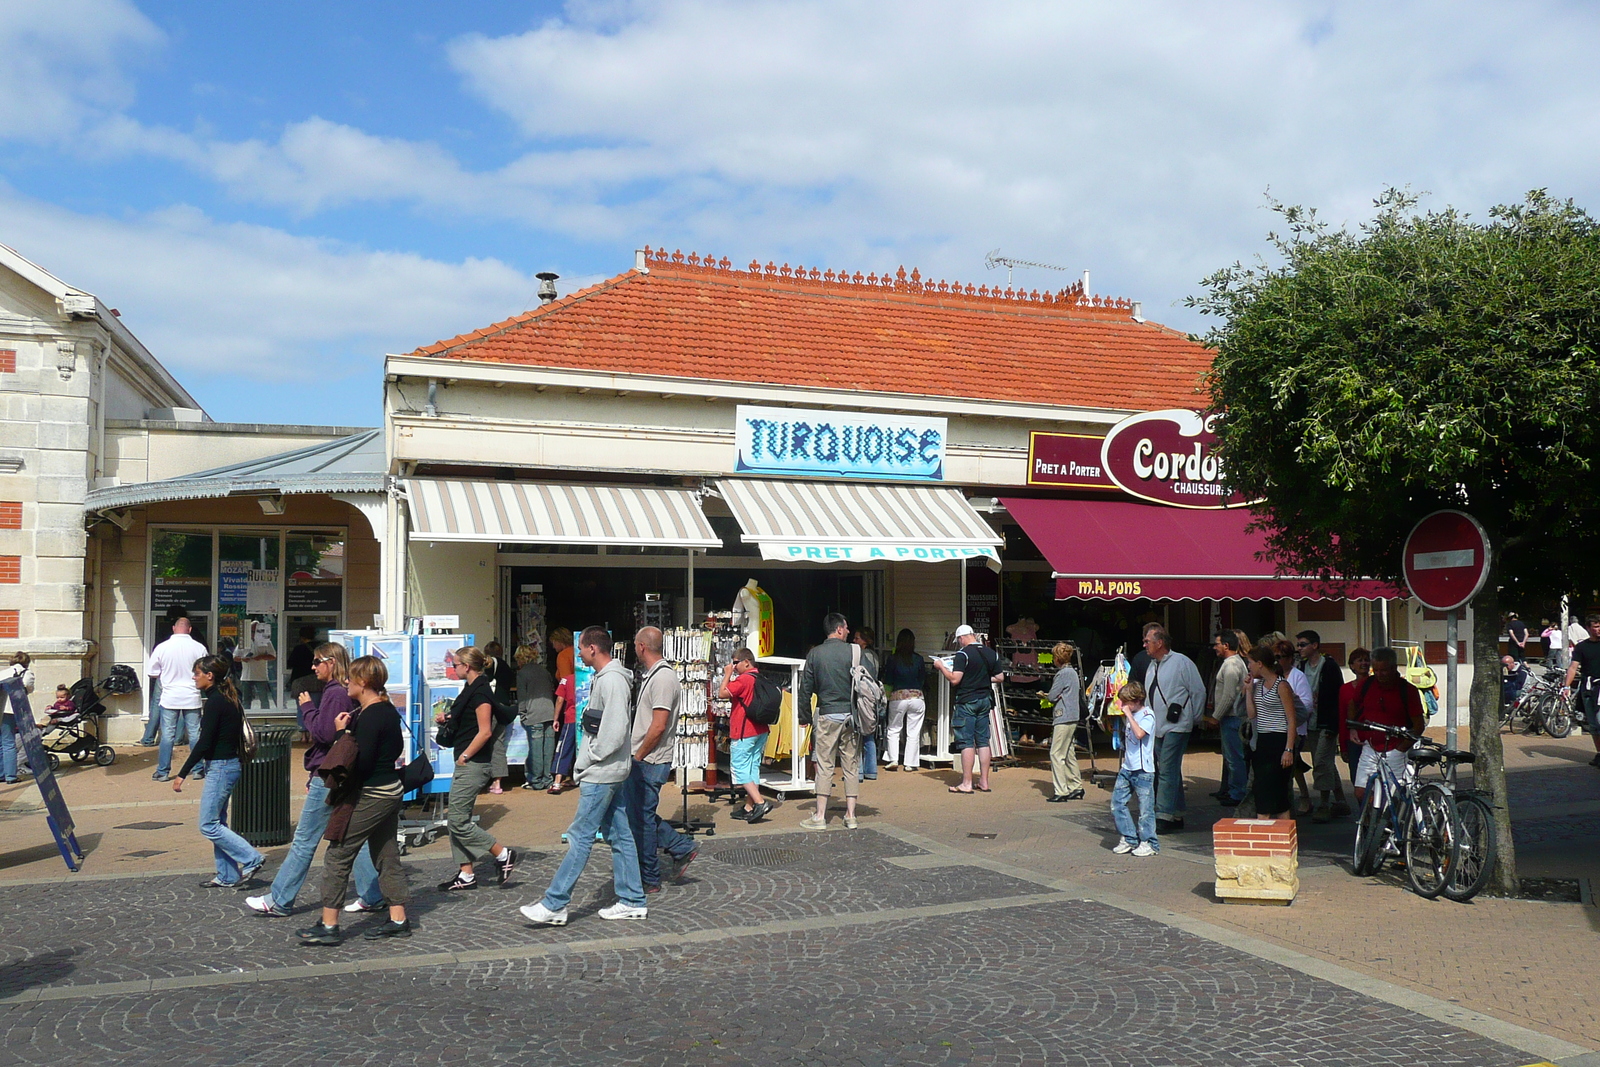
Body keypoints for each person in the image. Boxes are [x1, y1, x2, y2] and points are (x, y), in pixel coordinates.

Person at [520, 625, 648, 925]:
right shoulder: (608, 679)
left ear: (593, 648)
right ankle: (632, 898)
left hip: (602, 773)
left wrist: (588, 761)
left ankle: (555, 903)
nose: (577, 652)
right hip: (607, 771)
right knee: (620, 835)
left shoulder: (612, 681)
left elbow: (614, 732)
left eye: (580, 647)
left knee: (580, 836)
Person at [245, 643, 383, 918]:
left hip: (330, 775)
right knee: (351, 837)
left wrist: (307, 708)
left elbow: (324, 734)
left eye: (318, 661)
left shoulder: (334, 693)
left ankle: (280, 899)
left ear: (332, 663)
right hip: (339, 773)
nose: (313, 667)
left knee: (305, 840)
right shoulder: (343, 692)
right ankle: (373, 894)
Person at [296, 655, 413, 945]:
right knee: (386, 854)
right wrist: (347, 731)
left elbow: (360, 763)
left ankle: (330, 925)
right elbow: (391, 749)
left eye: (350, 678)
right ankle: (398, 918)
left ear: (363, 682)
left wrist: (340, 736)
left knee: (337, 854)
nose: (346, 682)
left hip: (372, 794)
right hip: (389, 790)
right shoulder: (383, 710)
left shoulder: (371, 716)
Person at [174, 655, 265, 888]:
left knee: (208, 824)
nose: (194, 678)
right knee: (218, 823)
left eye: (197, 673)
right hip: (227, 764)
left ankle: (251, 858)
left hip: (222, 766)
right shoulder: (229, 697)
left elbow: (204, 742)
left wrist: (182, 773)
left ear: (209, 676)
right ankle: (228, 875)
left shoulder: (216, 702)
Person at [435, 646, 517, 891]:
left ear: (467, 667)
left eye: (456, 664)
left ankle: (502, 854)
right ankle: (466, 874)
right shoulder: (472, 688)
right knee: (457, 819)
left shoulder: (480, 691)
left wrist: (465, 756)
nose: (454, 668)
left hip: (473, 762)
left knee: (458, 822)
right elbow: (469, 718)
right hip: (468, 760)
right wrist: (448, 719)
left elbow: (485, 731)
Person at [625, 626, 698, 893]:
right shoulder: (653, 676)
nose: (634, 648)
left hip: (651, 760)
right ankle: (680, 847)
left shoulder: (663, 678)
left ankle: (651, 877)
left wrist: (639, 755)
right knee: (639, 815)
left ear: (642, 646)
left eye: (635, 644)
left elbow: (658, 725)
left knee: (641, 819)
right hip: (647, 758)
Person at [798, 613, 864, 828]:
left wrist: (804, 717)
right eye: (846, 628)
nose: (848, 632)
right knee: (851, 765)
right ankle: (851, 815)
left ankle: (819, 816)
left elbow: (805, 689)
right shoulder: (854, 651)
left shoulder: (815, 654)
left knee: (825, 765)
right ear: (838, 629)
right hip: (851, 716)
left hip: (827, 714)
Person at [1141, 625, 1205, 833]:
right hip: (1157, 726)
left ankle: (1163, 814)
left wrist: (1194, 718)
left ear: (1159, 643)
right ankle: (1176, 813)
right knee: (1169, 769)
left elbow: (1198, 690)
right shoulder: (1152, 666)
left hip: (1177, 726)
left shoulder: (1182, 662)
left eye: (1147, 641)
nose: (1144, 645)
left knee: (1167, 769)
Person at [1347, 647, 1426, 803]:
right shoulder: (1367, 684)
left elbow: (1418, 725)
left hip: (1396, 748)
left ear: (1393, 667)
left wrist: (1401, 748)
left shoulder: (1408, 690)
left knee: (1392, 797)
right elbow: (1353, 704)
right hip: (1371, 746)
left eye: (1383, 670)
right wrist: (1353, 728)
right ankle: (1370, 824)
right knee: (1360, 792)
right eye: (1375, 670)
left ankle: (1392, 825)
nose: (1379, 674)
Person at [934, 623, 1004, 796]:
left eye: (959, 640)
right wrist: (983, 680)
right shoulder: (990, 653)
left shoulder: (962, 654)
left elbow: (955, 679)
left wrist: (941, 667)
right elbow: (1000, 677)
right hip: (985, 700)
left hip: (967, 701)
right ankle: (984, 782)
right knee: (983, 741)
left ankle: (967, 783)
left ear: (962, 638)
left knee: (966, 742)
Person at [1296, 630, 1351, 823]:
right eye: (1298, 645)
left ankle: (1324, 803)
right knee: (1325, 761)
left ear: (1314, 645)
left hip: (1326, 721)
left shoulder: (1328, 665)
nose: (1299, 648)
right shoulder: (1301, 666)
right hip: (1309, 722)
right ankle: (1341, 800)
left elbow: (1338, 695)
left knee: (1320, 762)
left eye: (1303, 644)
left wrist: (1333, 724)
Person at [148, 616, 208, 783]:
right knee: (195, 734)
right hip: (192, 696)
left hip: (170, 697)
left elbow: (152, 672)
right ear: (189, 629)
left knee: (167, 735)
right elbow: (206, 671)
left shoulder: (162, 647)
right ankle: (198, 770)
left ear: (174, 628)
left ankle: (163, 772)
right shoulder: (199, 648)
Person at [1243, 645, 1297, 819]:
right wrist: (1249, 691)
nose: (1248, 666)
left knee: (1276, 791)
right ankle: (1267, 829)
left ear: (1260, 663)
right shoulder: (1259, 686)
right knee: (1262, 788)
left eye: (1250, 663)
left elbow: (1291, 719)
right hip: (1263, 740)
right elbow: (1252, 714)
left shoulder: (1281, 685)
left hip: (1279, 739)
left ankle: (1275, 829)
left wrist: (1288, 749)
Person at [720, 649, 773, 822]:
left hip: (744, 731)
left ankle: (759, 802)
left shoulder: (743, 680)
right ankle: (749, 807)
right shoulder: (759, 677)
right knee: (752, 768)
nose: (733, 666)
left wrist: (727, 674)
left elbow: (722, 693)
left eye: (736, 663)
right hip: (761, 730)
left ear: (747, 662)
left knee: (740, 769)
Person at [1110, 681, 1157, 857]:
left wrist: (1129, 716)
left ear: (1136, 701)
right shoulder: (1133, 714)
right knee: (1117, 803)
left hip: (1143, 770)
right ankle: (1129, 837)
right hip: (1128, 767)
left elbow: (1139, 734)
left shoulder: (1147, 715)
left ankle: (1149, 842)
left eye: (1126, 702)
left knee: (1145, 809)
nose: (1124, 706)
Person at [1209, 631, 1248, 807]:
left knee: (1234, 758)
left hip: (1232, 718)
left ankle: (1238, 793)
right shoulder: (1233, 663)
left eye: (1217, 644)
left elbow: (1229, 696)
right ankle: (1234, 790)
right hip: (1232, 718)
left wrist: (1216, 717)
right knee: (1233, 757)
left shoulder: (1231, 666)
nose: (1214, 647)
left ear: (1226, 645)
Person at [879, 629, 926, 771]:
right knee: (913, 732)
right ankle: (910, 763)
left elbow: (888, 679)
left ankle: (893, 759)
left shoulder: (893, 659)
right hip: (917, 696)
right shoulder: (919, 659)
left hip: (898, 696)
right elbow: (923, 679)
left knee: (893, 729)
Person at [515, 643, 557, 791]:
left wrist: (522, 714)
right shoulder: (544, 671)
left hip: (533, 714)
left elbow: (522, 697)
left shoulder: (522, 674)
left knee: (536, 750)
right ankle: (548, 778)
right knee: (548, 749)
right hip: (549, 712)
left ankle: (536, 780)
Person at [1046, 641, 1084, 802]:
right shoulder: (1074, 672)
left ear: (1057, 658)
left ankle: (1061, 790)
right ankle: (1076, 786)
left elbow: (1052, 696)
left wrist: (1051, 695)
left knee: (1056, 754)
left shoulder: (1062, 674)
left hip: (1063, 716)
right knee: (1068, 753)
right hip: (1073, 715)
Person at [1564, 615, 1600, 766]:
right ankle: (1599, 753)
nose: (1598, 630)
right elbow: (1573, 667)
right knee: (1593, 725)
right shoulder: (1582, 647)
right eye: (1595, 627)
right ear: (1588, 628)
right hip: (1588, 688)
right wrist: (1566, 686)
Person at [1337, 648, 1371, 786]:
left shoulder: (1376, 684)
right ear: (1352, 665)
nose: (1364, 663)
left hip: (1373, 738)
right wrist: (1343, 746)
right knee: (1357, 780)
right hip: (1354, 741)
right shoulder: (1345, 689)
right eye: (1360, 660)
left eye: (1366, 660)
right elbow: (1342, 717)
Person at [1, 653, 37, 783]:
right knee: (9, 742)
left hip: (1, 707)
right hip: (12, 709)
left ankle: (1, 773)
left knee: (2, 742)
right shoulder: (27, 673)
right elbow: (29, 687)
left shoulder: (4, 672)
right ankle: (10, 775)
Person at [853, 628, 880, 780]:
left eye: (857, 638)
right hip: (873, 697)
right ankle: (871, 770)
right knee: (869, 733)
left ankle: (859, 771)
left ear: (864, 640)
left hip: (863, 696)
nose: (854, 641)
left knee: (858, 733)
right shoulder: (875, 656)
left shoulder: (863, 656)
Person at [549, 667, 578, 794]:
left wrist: (555, 719)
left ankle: (557, 781)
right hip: (586, 719)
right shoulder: (590, 679)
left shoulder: (566, 680)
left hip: (571, 718)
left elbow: (560, 699)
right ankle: (575, 778)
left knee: (564, 748)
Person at [237, 620, 276, 711]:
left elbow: (273, 656)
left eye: (256, 631)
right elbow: (235, 657)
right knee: (246, 700)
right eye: (252, 631)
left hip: (261, 676)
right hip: (246, 676)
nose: (254, 634)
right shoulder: (243, 642)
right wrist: (243, 658)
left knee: (264, 700)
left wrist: (262, 657)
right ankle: (245, 720)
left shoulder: (266, 642)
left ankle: (266, 719)